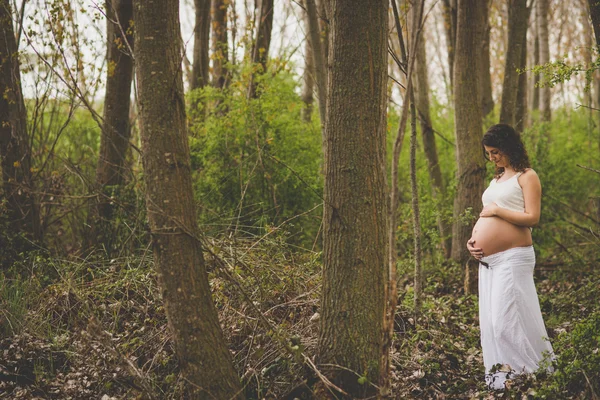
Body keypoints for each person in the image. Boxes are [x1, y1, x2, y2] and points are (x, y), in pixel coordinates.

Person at [467, 124, 554, 390]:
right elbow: (486, 215)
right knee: (492, 324)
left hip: (514, 257)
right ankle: (503, 377)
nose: (492, 158)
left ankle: (529, 373)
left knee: (505, 321)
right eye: (488, 154)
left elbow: (532, 218)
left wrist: (496, 211)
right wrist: (472, 242)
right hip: (489, 263)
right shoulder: (496, 180)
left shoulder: (527, 176)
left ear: (509, 147)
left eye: (496, 152)